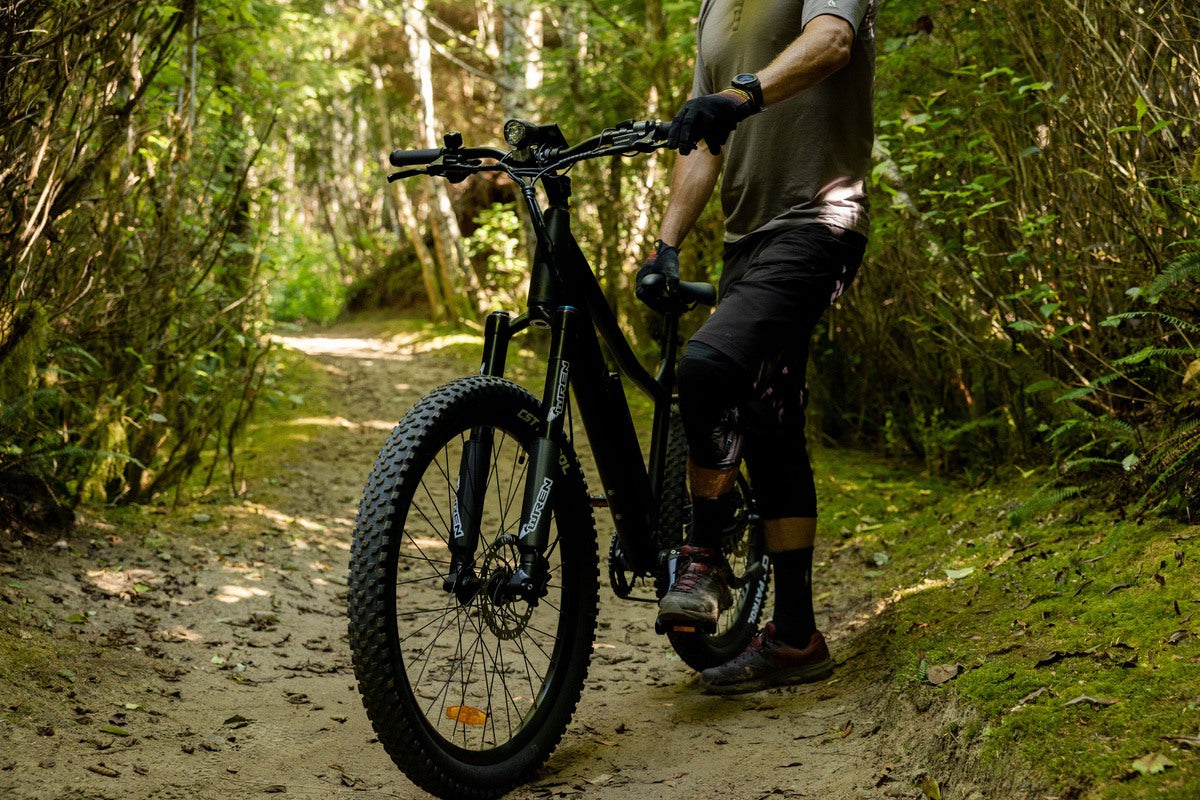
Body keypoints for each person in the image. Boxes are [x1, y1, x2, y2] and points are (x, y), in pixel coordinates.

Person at [637, 0, 876, 694]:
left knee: (709, 367)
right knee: (770, 421)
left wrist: (738, 95)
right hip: (745, 237)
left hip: (820, 220)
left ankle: (703, 551)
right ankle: (797, 639)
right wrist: (668, 244)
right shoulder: (716, 8)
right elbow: (703, 135)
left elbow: (831, 43)